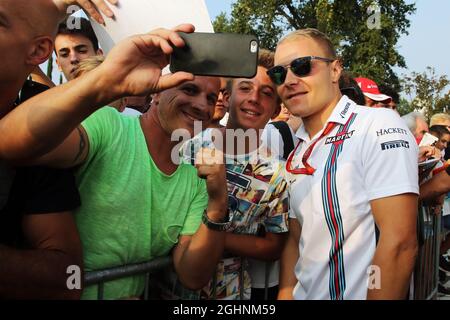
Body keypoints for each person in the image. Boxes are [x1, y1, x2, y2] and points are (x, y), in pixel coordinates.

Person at [0, 18, 232, 299]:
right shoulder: (110, 126)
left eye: (211, 98)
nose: (201, 106)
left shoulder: (195, 178)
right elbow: (13, 142)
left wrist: (219, 205)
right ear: (157, 91)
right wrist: (106, 80)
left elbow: (191, 274)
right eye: (189, 89)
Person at [267, 28, 419, 300]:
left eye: (302, 66)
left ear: (335, 70)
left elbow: (398, 243)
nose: (289, 80)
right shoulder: (297, 153)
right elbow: (295, 241)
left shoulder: (376, 125)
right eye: (279, 73)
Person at [0, 0, 116, 299]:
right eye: (64, 52)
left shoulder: (44, 135)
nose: (73, 60)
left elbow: (70, 277)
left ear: (38, 51)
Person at [159, 50, 289, 300]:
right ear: (226, 97)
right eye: (245, 88)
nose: (254, 99)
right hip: (165, 288)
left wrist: (208, 239)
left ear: (275, 110)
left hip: (228, 295)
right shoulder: (189, 145)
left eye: (267, 93)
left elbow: (274, 246)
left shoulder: (278, 175)